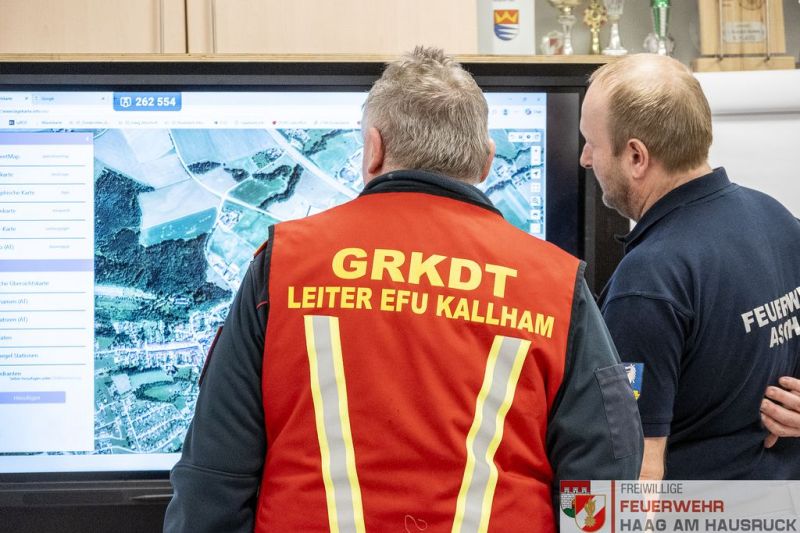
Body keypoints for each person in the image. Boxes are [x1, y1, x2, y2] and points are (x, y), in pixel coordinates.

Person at [164, 47, 642, 532]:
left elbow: (214, 477)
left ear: (373, 148)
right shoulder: (555, 284)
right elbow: (606, 468)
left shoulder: (283, 264)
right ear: (486, 162)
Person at [580, 53, 800, 480]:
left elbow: (637, 469)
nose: (585, 159)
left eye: (592, 142)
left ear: (636, 157)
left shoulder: (649, 282)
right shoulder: (777, 218)